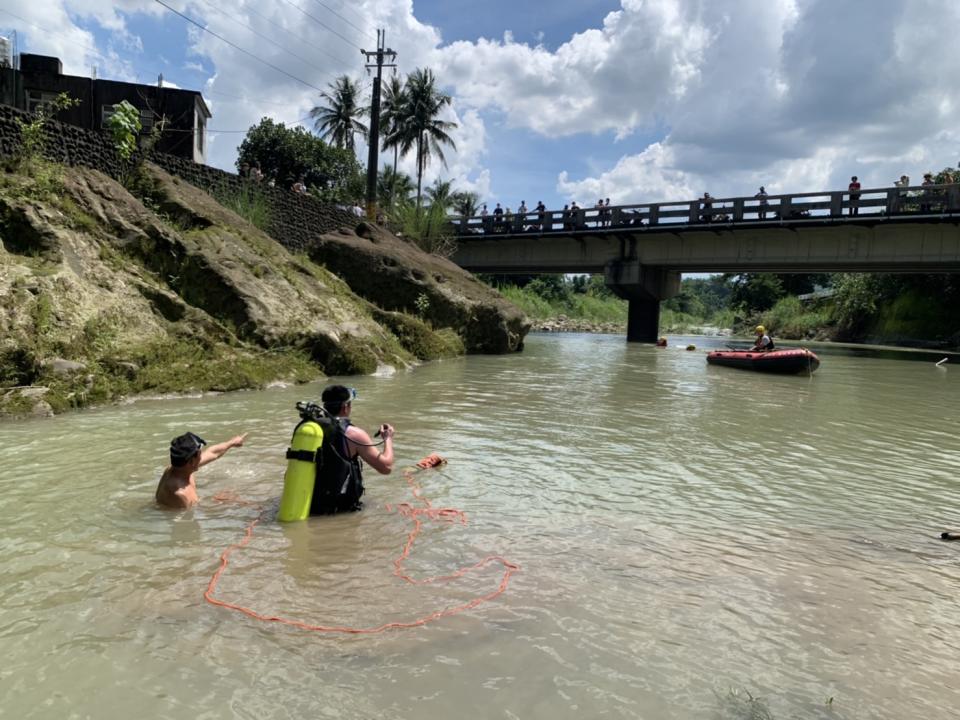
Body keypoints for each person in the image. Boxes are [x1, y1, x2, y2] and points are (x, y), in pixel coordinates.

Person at [310, 384, 395, 515]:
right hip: (338, 511)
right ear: (345, 407)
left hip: (306, 503)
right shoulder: (354, 434)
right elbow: (386, 468)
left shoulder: (310, 430)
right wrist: (387, 438)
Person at [155, 432, 248, 509]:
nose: (201, 456)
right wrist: (217, 501)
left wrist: (231, 443)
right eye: (199, 454)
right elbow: (195, 513)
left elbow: (212, 453)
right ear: (191, 461)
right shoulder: (180, 494)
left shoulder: (181, 466)